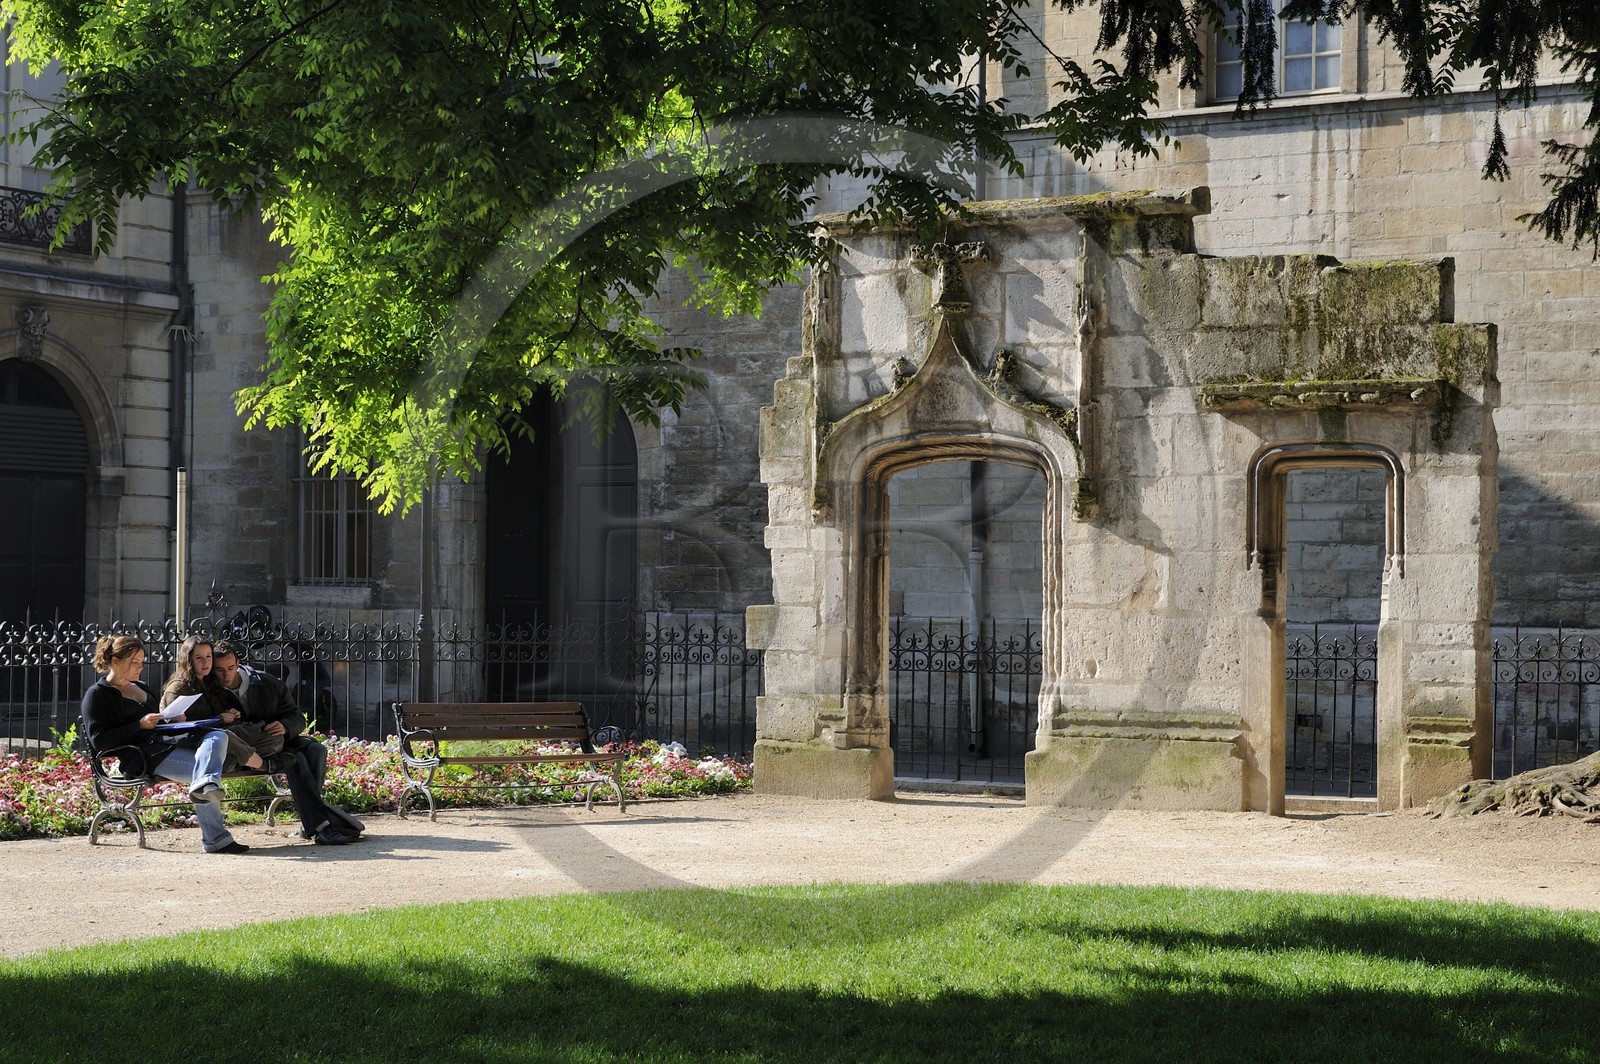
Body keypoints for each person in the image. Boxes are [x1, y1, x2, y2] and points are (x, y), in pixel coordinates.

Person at [80, 634, 251, 855]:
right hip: (141, 756)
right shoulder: (97, 695)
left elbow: (156, 721)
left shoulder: (141, 686)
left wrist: (171, 719)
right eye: (134, 662)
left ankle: (209, 799)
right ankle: (216, 838)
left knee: (217, 737)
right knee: (204, 774)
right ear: (115, 661)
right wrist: (139, 725)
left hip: (165, 744)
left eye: (142, 661)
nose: (140, 667)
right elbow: (99, 741)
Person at [212, 640, 361, 845]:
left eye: (230, 668)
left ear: (238, 663)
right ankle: (319, 826)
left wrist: (284, 725)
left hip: (277, 740)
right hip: (249, 747)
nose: (226, 676)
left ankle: (310, 821)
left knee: (316, 750)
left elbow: (296, 717)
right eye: (219, 670)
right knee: (295, 758)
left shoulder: (267, 683)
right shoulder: (211, 690)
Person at [160, 635, 267, 773]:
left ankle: (236, 761)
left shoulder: (210, 683)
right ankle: (261, 765)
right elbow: (178, 729)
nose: (205, 662)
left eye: (209, 656)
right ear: (188, 659)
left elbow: (220, 711)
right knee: (225, 737)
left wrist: (231, 713)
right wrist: (219, 719)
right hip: (197, 741)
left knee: (272, 739)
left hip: (223, 735)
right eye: (199, 658)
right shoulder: (177, 688)